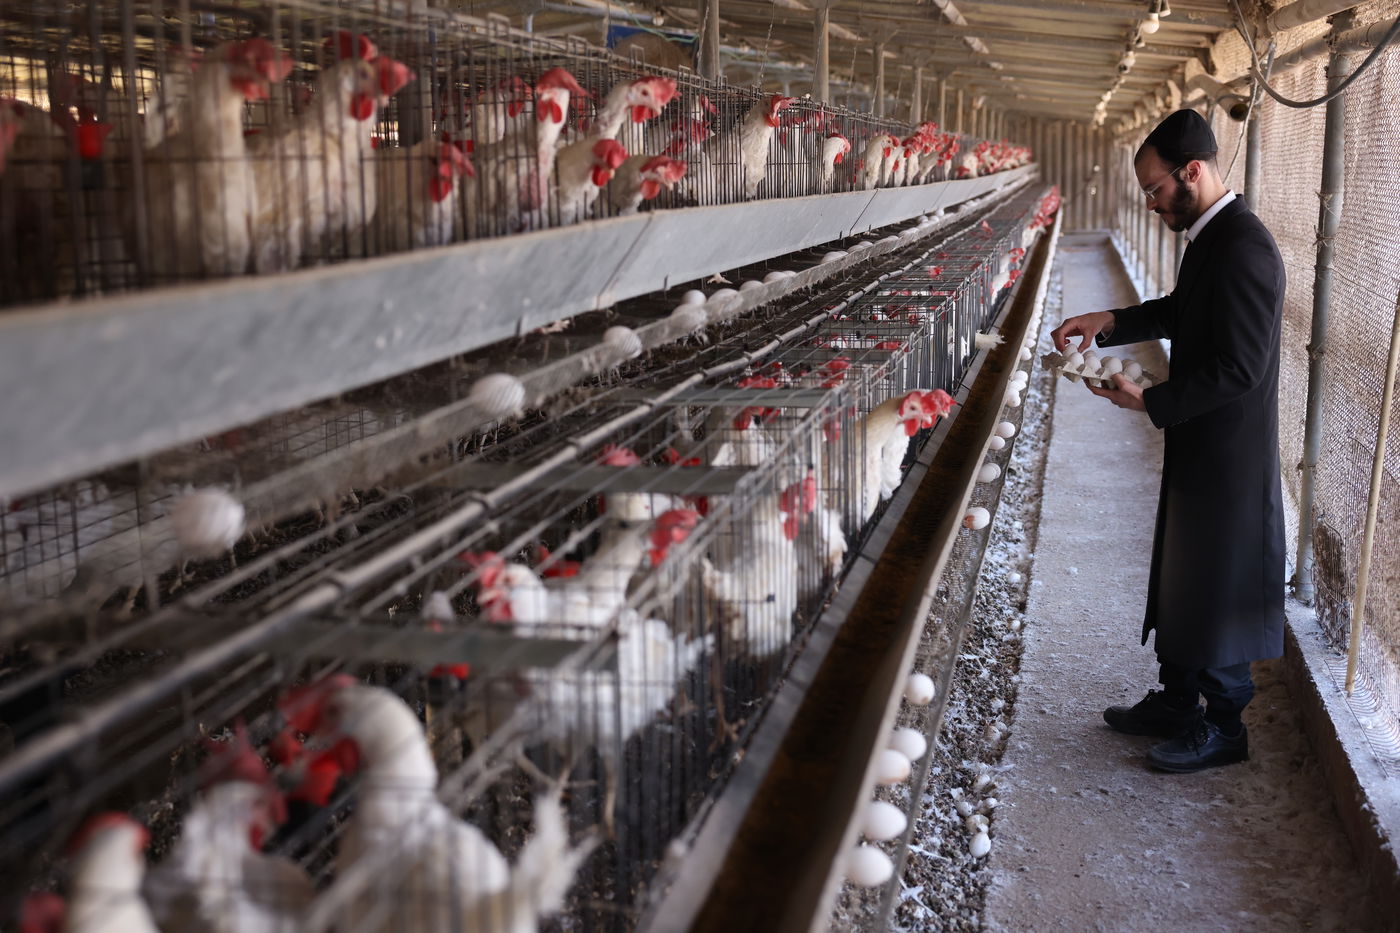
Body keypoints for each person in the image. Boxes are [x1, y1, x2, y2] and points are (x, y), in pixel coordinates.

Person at [1050, 109, 1286, 773]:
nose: (1151, 203)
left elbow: (1240, 367)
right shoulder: (1213, 238)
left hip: (1230, 453)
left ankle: (1225, 726)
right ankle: (1178, 698)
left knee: (1217, 579)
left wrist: (1151, 399)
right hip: (1199, 434)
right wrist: (1110, 321)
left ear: (1193, 171)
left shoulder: (1246, 248)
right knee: (1185, 568)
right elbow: (1183, 313)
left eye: (1155, 190)